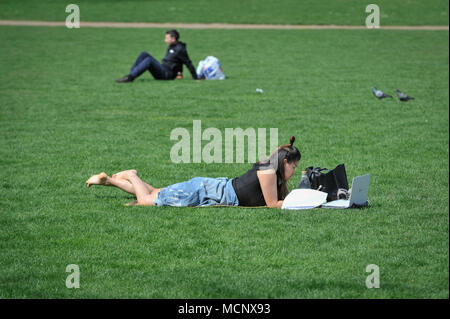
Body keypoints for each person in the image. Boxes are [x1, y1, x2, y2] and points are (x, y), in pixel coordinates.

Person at [86, 137, 301, 208]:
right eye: (294, 166)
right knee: (146, 200)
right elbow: (273, 204)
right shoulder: (267, 172)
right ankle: (132, 174)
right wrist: (304, 201)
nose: (294, 170)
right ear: (284, 162)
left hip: (211, 189)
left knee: (153, 192)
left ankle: (108, 180)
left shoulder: (272, 171)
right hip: (204, 191)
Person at [115, 29, 198, 83]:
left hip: (167, 75)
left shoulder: (180, 49)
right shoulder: (172, 46)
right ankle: (131, 74)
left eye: (167, 38)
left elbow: (188, 63)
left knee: (149, 60)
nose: (165, 40)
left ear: (173, 39)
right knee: (144, 54)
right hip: (163, 69)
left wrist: (195, 78)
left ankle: (130, 78)